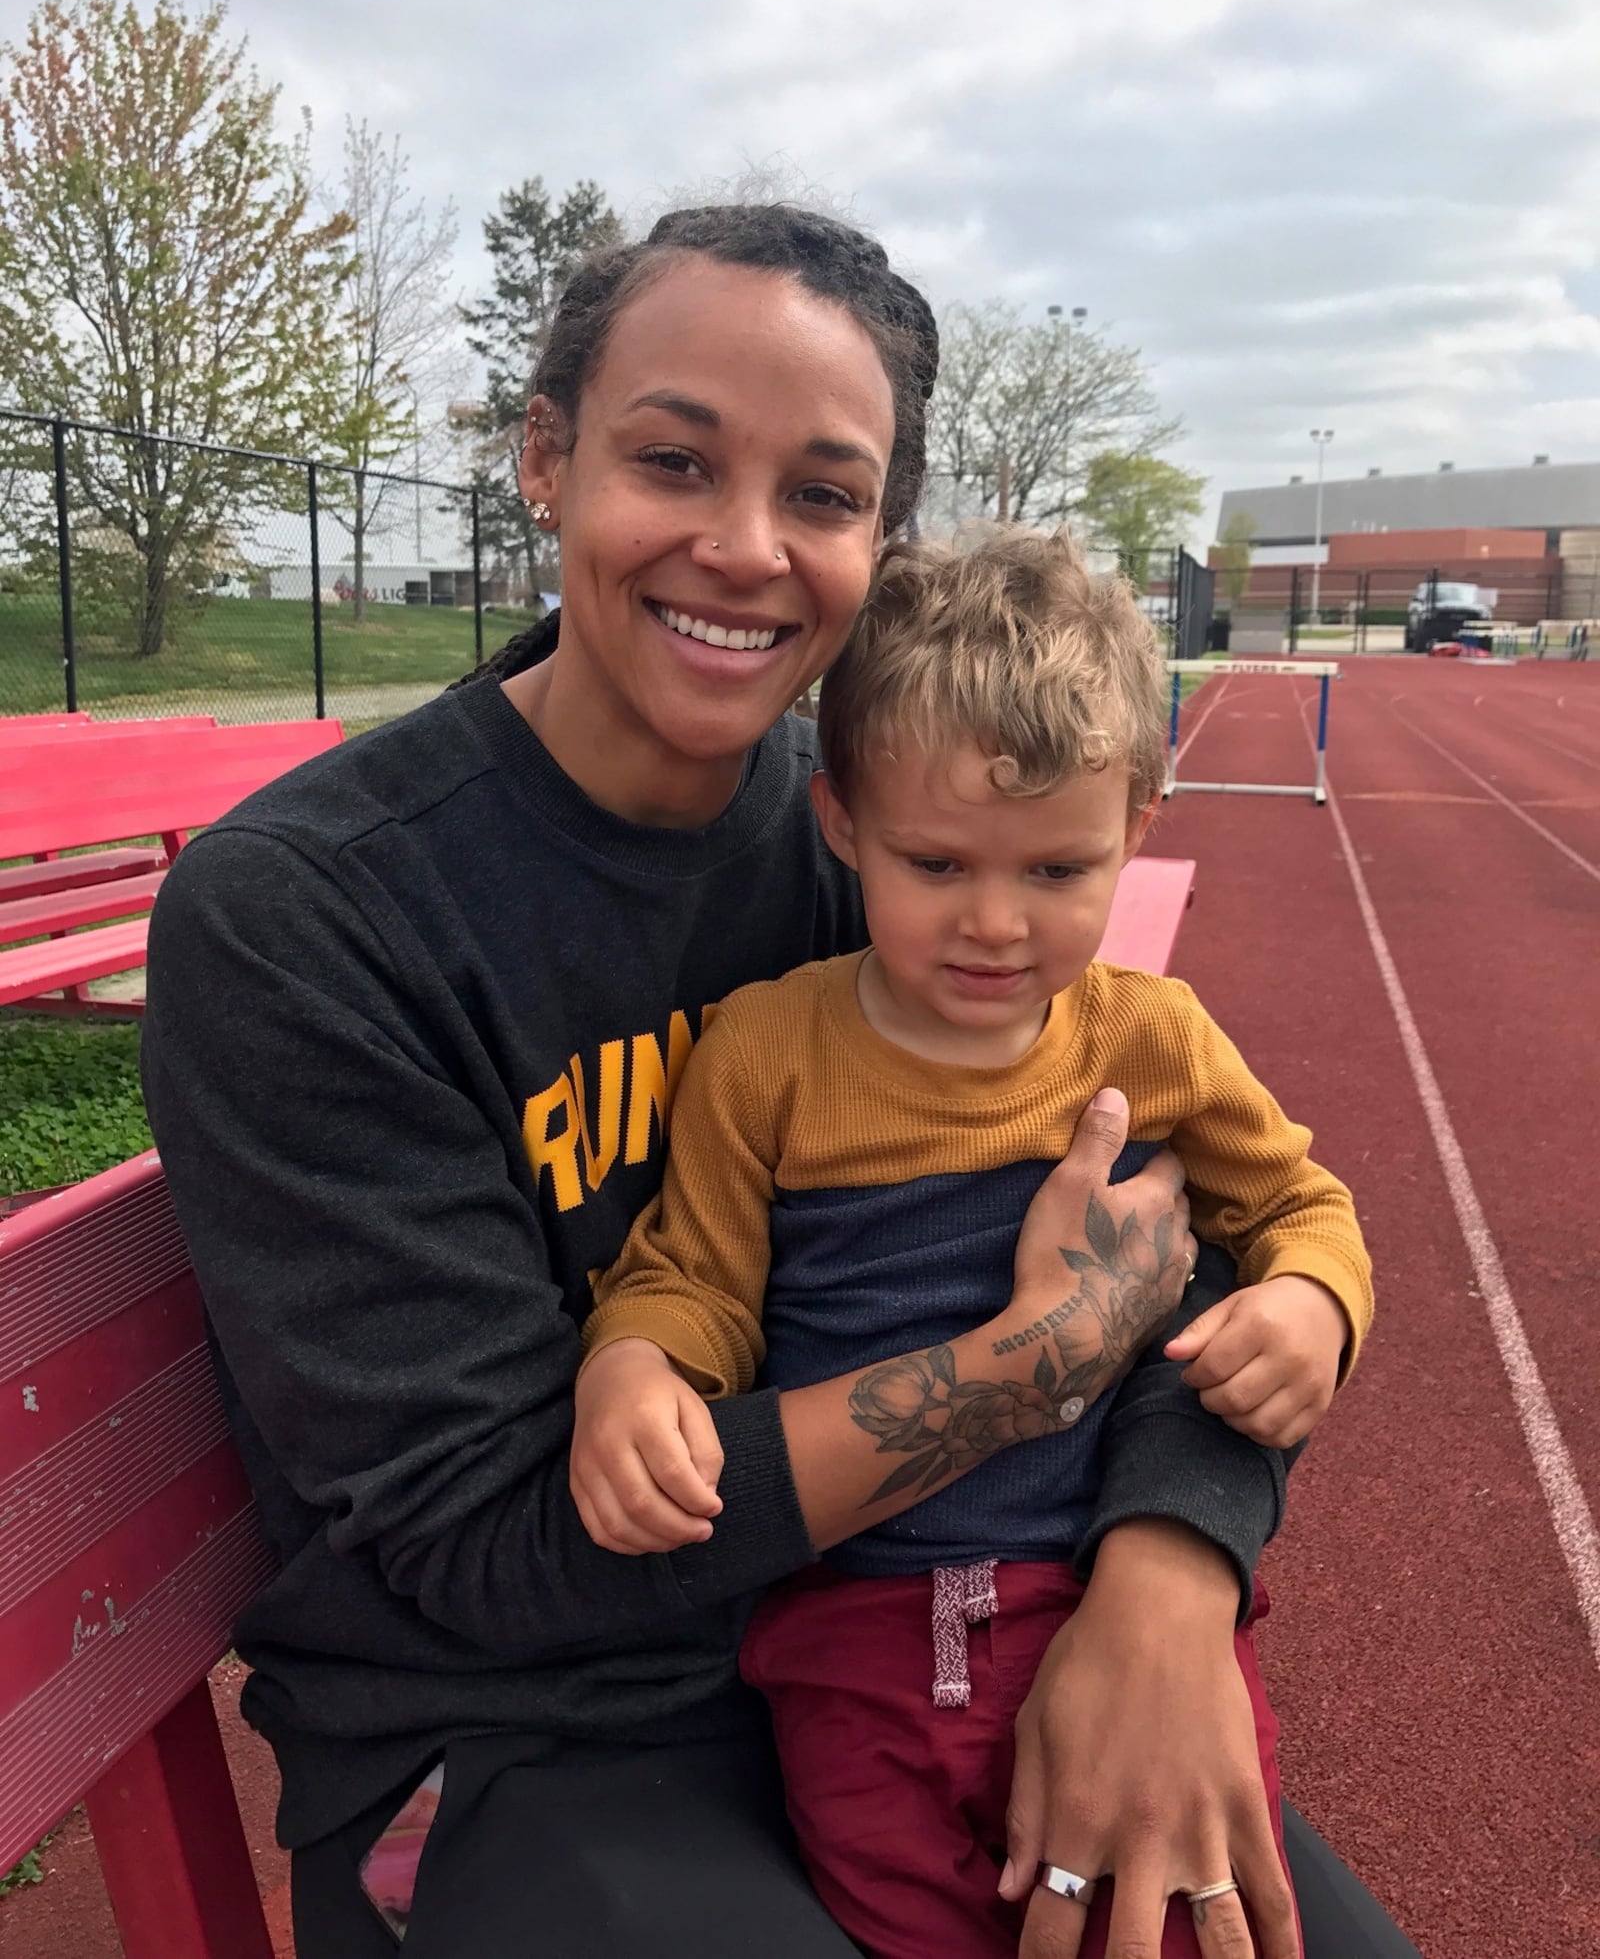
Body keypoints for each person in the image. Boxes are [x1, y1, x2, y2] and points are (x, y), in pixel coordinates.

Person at [140, 202, 1417, 1959]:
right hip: (525, 1737)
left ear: (878, 540)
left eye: (821, 494)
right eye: (674, 457)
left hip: (935, 1635)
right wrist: (1037, 1364)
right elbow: (500, 1545)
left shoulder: (904, 847)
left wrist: (1168, 1577)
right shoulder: (316, 917)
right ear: (545, 455)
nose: (742, 546)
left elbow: (1184, 1226)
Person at [571, 528, 1372, 1957]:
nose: (995, 924)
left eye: (1060, 868)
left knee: (1178, 1911)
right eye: (935, 861)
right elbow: (693, 1277)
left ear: (1140, 820)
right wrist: (635, 1372)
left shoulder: (1151, 1035)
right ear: (840, 823)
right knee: (903, 1917)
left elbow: (1301, 1205)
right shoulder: (769, 1052)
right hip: (850, 1625)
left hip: (1101, 1595)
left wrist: (1313, 1304)